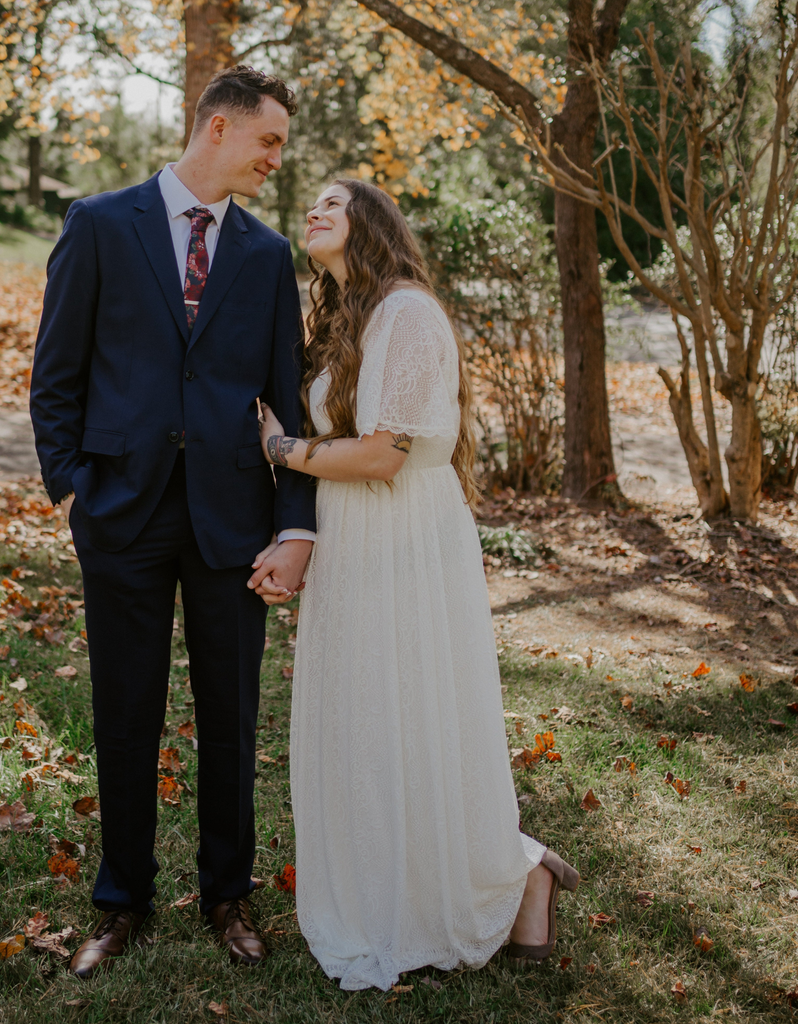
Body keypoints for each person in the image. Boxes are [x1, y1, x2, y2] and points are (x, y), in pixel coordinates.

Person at [254, 179, 579, 992]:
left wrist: (280, 448)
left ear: (371, 223)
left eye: (334, 202)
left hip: (401, 533)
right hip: (354, 534)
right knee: (368, 719)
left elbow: (381, 455)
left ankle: (506, 875)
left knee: (409, 713)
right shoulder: (349, 316)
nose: (315, 211)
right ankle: (403, 894)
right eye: (311, 203)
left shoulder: (406, 313)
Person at [29, 66, 317, 979]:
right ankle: (121, 901)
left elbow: (289, 403)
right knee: (125, 712)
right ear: (219, 127)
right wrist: (72, 488)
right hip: (121, 511)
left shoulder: (267, 256)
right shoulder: (99, 224)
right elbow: (55, 374)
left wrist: (296, 529)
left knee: (231, 717)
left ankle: (229, 895)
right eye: (269, 140)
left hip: (234, 521)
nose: (276, 159)